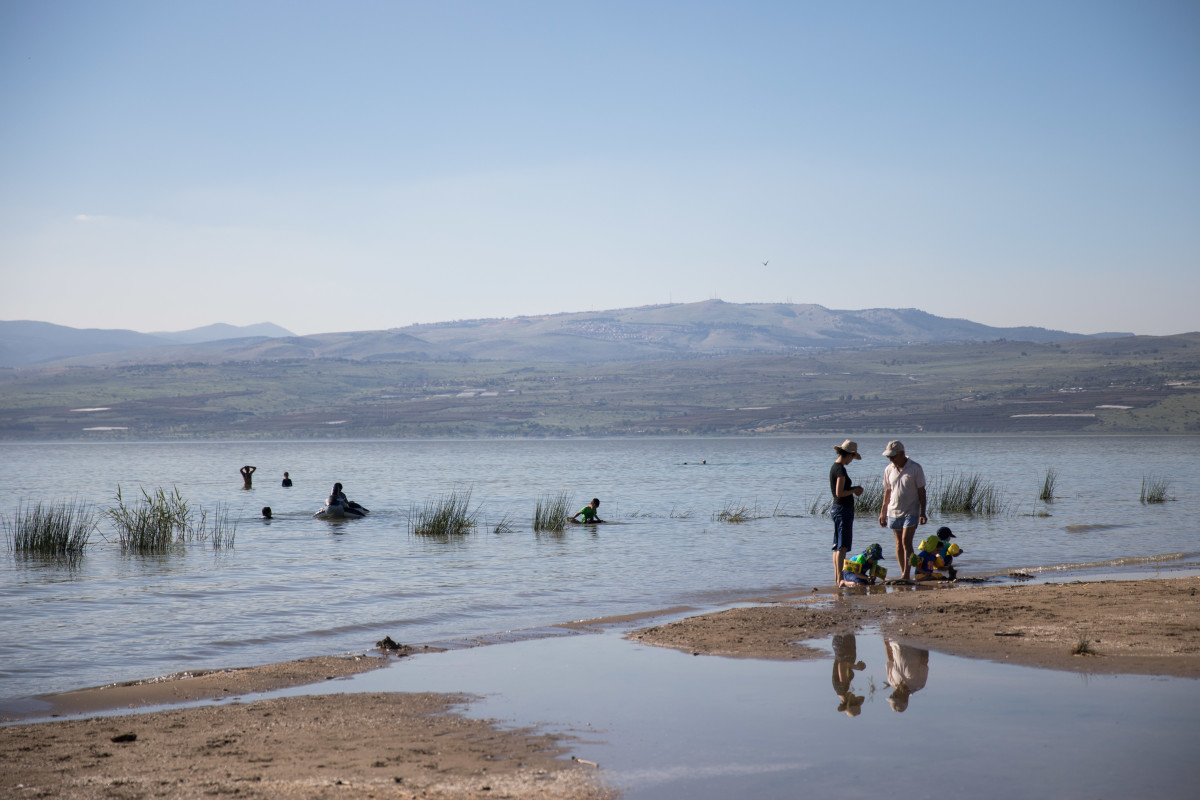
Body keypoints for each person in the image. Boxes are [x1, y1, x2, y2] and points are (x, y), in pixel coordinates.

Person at [877, 440, 926, 580]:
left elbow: (922, 491)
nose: (891, 459)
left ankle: (906, 574)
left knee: (906, 541)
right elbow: (887, 492)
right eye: (889, 457)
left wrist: (923, 512)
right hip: (893, 511)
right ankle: (903, 571)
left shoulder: (915, 468)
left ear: (902, 454)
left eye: (893, 456)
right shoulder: (888, 469)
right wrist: (883, 512)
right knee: (898, 542)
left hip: (911, 511)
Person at [830, 439, 866, 587]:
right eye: (852, 457)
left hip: (837, 509)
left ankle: (837, 579)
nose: (852, 460)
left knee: (837, 546)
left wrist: (853, 489)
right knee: (842, 547)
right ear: (849, 455)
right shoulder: (840, 469)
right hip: (842, 509)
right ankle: (840, 580)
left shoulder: (835, 467)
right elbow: (839, 492)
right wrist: (855, 490)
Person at [884, 639, 929, 712]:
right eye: (896, 696)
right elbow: (924, 661)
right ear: (905, 699)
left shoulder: (891, 681)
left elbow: (890, 658)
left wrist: (885, 640)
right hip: (914, 640)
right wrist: (923, 640)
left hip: (894, 638)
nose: (893, 693)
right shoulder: (919, 683)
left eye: (892, 696)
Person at [831, 633, 866, 718]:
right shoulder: (841, 691)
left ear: (850, 703)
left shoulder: (843, 688)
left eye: (855, 700)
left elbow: (842, 665)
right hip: (843, 646)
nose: (855, 696)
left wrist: (857, 667)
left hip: (843, 645)